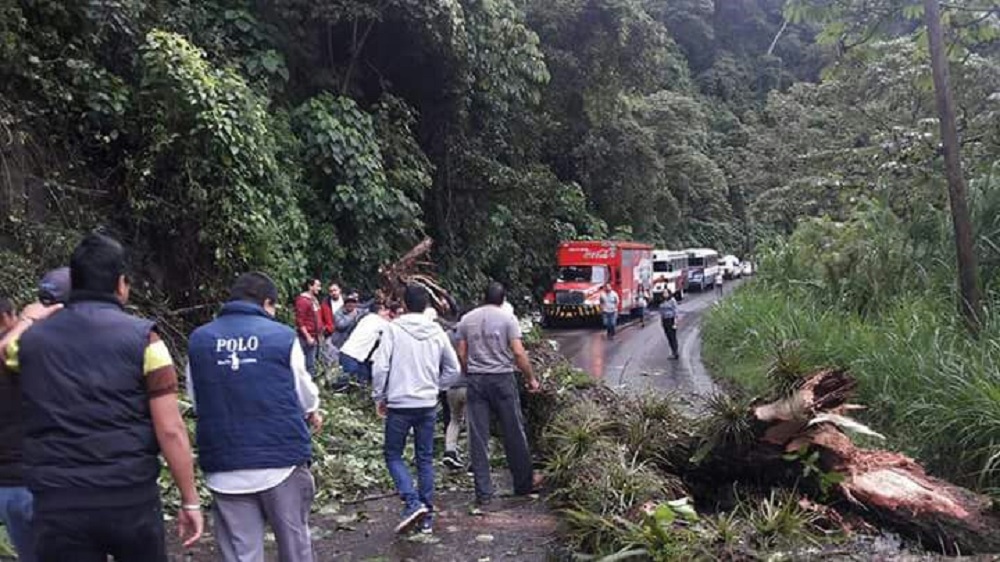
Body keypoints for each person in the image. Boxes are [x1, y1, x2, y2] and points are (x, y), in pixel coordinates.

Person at [2, 233, 202, 561]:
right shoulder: (146, 340)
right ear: (121, 285)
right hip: (130, 498)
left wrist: (31, 318)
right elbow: (170, 429)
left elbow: (7, 351)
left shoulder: (32, 343)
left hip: (58, 502)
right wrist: (190, 499)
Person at [186, 272, 322, 562]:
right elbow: (304, 395)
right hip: (280, 462)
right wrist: (312, 411)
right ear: (267, 303)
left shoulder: (199, 341)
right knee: (294, 548)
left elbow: (198, 401)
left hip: (225, 468)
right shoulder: (282, 337)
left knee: (240, 555)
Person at [372, 285, 461, 535]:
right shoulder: (437, 331)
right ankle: (427, 517)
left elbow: (380, 367)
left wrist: (379, 395)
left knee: (393, 455)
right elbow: (453, 369)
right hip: (427, 404)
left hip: (399, 404)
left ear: (405, 304)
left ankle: (412, 503)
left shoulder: (393, 329)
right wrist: (437, 387)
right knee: (425, 458)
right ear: (425, 305)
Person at [456, 282, 541, 507]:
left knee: (478, 436)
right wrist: (530, 378)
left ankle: (483, 492)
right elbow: (518, 352)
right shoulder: (507, 319)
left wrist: (470, 371)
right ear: (502, 300)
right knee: (513, 431)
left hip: (476, 380)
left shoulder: (467, 319)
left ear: (483, 297)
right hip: (502, 378)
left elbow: (462, 353)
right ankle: (523, 484)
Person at [339, 302, 392, 386]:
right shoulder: (377, 320)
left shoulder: (367, 318)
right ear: (379, 311)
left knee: (361, 383)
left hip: (354, 356)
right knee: (348, 386)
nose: (387, 314)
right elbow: (393, 328)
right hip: (352, 356)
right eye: (385, 311)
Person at [294, 279, 322, 376]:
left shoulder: (314, 300)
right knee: (304, 364)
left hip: (315, 336)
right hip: (305, 337)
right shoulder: (303, 300)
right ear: (310, 286)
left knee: (311, 364)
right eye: (317, 286)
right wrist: (307, 336)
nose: (319, 288)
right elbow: (300, 320)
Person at [661, 291, 680, 360]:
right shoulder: (663, 301)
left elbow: (676, 311)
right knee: (668, 337)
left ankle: (675, 352)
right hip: (665, 320)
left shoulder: (672, 301)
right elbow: (661, 312)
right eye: (663, 293)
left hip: (671, 320)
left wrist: (675, 322)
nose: (664, 294)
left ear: (669, 293)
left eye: (666, 293)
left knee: (673, 337)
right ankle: (673, 351)